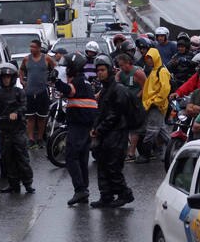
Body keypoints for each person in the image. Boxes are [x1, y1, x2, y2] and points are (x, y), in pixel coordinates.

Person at [54, 53, 98, 205]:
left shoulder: (78, 81)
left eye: (67, 67)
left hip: (79, 123)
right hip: (85, 123)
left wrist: (55, 81)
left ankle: (80, 190)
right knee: (82, 158)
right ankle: (84, 190)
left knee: (71, 156)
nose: (65, 70)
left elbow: (68, 90)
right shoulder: (84, 81)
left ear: (74, 68)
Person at [90, 56, 133, 208]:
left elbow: (114, 115)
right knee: (102, 166)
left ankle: (124, 194)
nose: (100, 73)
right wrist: (95, 128)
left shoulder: (118, 89)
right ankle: (106, 195)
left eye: (102, 70)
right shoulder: (104, 90)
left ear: (109, 70)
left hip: (117, 134)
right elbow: (101, 113)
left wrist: (99, 129)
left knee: (113, 166)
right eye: (98, 70)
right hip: (105, 134)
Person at [0, 63, 34, 194]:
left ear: (13, 78)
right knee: (8, 160)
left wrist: (17, 113)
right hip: (4, 131)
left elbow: (25, 106)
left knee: (22, 158)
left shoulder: (19, 92)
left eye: (8, 77)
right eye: (3, 77)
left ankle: (28, 184)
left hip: (18, 131)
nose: (6, 80)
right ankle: (13, 185)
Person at [136, 47, 171, 164]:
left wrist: (155, 101)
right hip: (151, 104)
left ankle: (145, 155)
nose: (148, 61)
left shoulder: (161, 71)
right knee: (161, 129)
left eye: (150, 58)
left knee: (151, 130)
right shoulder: (154, 71)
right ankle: (175, 148)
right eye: (147, 58)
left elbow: (165, 89)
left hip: (156, 105)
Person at [19, 39, 56, 148]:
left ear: (39, 48)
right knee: (30, 117)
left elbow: (55, 69)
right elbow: (21, 70)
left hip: (42, 91)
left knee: (41, 117)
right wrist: (22, 80)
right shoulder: (26, 59)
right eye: (30, 47)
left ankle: (40, 138)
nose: (31, 49)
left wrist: (52, 80)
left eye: (34, 47)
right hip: (30, 91)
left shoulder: (47, 58)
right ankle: (30, 139)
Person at [115, 50, 146, 161]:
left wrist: (135, 99)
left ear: (128, 63)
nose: (121, 67)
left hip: (137, 105)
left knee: (135, 129)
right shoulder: (120, 73)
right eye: (119, 66)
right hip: (125, 104)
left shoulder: (138, 72)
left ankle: (132, 153)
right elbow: (115, 85)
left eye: (122, 65)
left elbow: (145, 88)